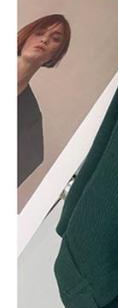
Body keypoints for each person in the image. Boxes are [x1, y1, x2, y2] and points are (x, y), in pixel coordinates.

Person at [17, 14, 71, 187]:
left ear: (55, 54)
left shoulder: (30, 117)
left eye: (55, 39)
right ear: (26, 36)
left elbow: (29, 161)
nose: (45, 39)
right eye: (40, 33)